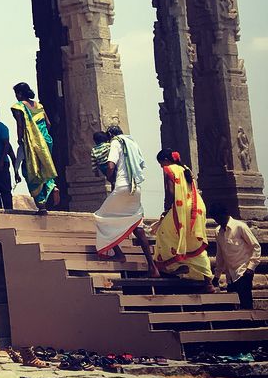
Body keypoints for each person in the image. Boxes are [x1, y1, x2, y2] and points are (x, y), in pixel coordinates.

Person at [91, 126, 158, 275]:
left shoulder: (116, 142)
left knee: (101, 218)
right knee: (137, 226)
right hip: (136, 189)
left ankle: (119, 254)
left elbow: (110, 164)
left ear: (110, 135)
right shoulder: (133, 143)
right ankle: (152, 266)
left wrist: (109, 177)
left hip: (122, 186)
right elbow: (141, 164)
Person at [151, 149, 214, 287]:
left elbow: (170, 191)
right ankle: (208, 282)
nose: (162, 166)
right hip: (196, 208)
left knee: (163, 232)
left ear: (166, 161)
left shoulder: (170, 169)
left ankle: (172, 265)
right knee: (193, 242)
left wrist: (167, 209)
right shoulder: (185, 169)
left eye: (161, 163)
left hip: (182, 209)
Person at [10, 82, 59, 212]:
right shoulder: (39, 105)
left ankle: (41, 205)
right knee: (45, 166)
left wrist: (21, 140)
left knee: (31, 171)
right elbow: (48, 124)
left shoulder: (19, 107)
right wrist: (42, 137)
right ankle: (52, 186)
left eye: (16, 93)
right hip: (46, 141)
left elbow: (20, 125)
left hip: (32, 143)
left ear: (20, 94)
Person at [209, 203, 260, 310]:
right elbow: (220, 255)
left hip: (243, 272)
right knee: (232, 306)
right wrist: (217, 276)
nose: (217, 220)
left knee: (246, 304)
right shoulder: (218, 232)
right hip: (230, 276)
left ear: (225, 214)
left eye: (218, 217)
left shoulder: (240, 227)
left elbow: (256, 246)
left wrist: (251, 268)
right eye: (215, 218)